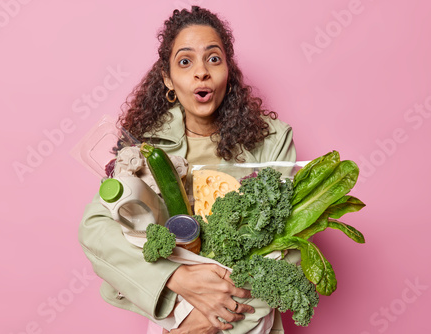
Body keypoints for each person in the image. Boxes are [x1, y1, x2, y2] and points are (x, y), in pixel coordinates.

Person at [78, 6, 297, 334]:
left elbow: (287, 249)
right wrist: (175, 279)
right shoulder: (145, 146)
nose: (201, 72)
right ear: (167, 78)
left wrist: (206, 324)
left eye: (213, 58)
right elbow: (95, 230)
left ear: (228, 71)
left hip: (246, 318)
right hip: (173, 311)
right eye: (185, 61)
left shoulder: (273, 139)